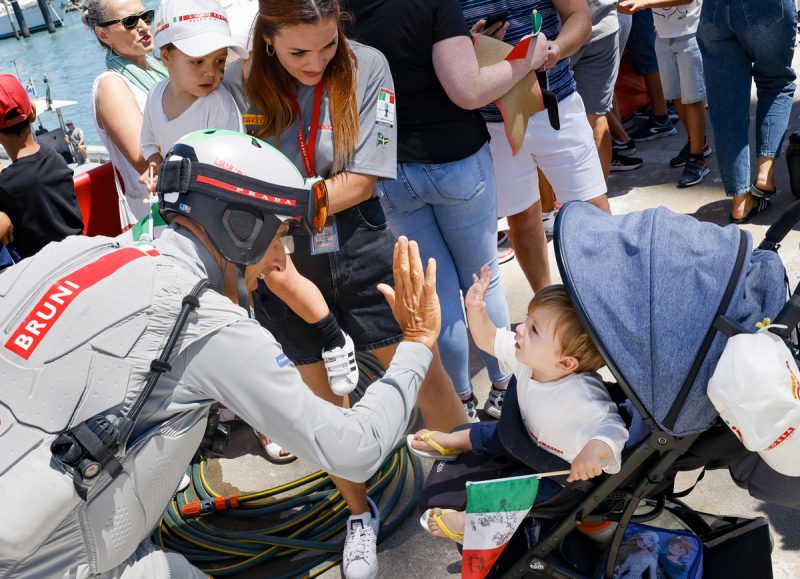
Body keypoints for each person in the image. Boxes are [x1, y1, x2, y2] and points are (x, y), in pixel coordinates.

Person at [0, 130, 440, 578]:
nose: (278, 260)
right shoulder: (207, 323)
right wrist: (418, 343)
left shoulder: (78, 254)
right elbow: (354, 449)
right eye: (278, 237)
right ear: (242, 228)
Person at [223, 2, 466, 576]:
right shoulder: (236, 80)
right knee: (324, 404)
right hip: (281, 261)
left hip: (359, 243)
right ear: (266, 41)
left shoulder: (368, 65)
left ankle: (477, 492)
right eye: (299, 52)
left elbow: (366, 176)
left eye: (328, 46)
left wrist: (288, 203)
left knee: (423, 374)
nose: (317, 62)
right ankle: (359, 515)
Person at [346, 0, 548, 421]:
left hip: (390, 166)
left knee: (438, 291)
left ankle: (461, 403)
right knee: (483, 279)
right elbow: (467, 89)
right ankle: (505, 388)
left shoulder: (339, 8)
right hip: (455, 158)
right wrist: (528, 57)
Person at [410, 269, 628, 540]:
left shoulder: (583, 396)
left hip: (558, 470)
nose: (520, 328)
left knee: (512, 495)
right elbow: (489, 339)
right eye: (527, 320)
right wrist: (476, 310)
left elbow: (614, 428)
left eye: (534, 329)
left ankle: (470, 524)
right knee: (492, 432)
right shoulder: (527, 355)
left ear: (565, 362)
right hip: (526, 436)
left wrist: (595, 451)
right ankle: (454, 441)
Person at [458, 0, 610, 297]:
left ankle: (604, 302)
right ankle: (547, 303)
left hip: (555, 103)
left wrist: (556, 48)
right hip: (494, 119)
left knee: (592, 209)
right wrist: (473, 44)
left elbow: (579, 16)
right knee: (522, 218)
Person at [696, 0, 797, 223]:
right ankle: (765, 174)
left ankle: (740, 202)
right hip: (766, 7)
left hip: (715, 9)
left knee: (726, 104)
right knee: (776, 83)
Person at [83, 0, 167, 219]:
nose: (143, 26)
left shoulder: (161, 67)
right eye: (130, 22)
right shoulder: (111, 86)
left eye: (145, 16)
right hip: (157, 211)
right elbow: (145, 159)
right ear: (103, 34)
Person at [618, 0, 711, 189]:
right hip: (661, 34)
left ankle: (697, 158)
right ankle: (697, 142)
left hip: (691, 32)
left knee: (693, 98)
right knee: (676, 96)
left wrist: (643, 4)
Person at [0, 75, 84, 260]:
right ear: (32, 112)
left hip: (43, 275)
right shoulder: (56, 158)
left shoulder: (5, 186)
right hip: (80, 254)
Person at [569, 0, 622, 179]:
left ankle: (549, 205)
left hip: (561, 33)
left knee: (545, 122)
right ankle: (598, 202)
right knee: (596, 119)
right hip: (603, 24)